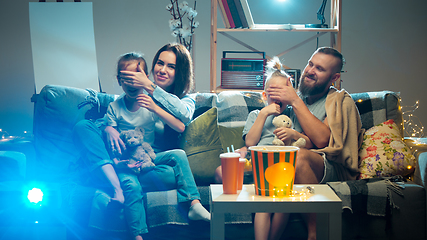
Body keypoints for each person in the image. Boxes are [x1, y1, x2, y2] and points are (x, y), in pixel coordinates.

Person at [73, 43, 209, 240]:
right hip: (127, 160)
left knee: (171, 173)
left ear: (180, 73)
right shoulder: (124, 100)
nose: (162, 69)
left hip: (153, 163)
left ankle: (112, 177)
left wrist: (151, 93)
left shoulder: (182, 100)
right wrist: (108, 127)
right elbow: (112, 118)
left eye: (171, 66)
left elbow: (182, 121)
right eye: (160, 63)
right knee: (84, 128)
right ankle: (116, 178)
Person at [262, 47, 363, 240]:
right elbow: (269, 128)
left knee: (297, 156)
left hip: (327, 164)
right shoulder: (294, 98)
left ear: (333, 78)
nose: (310, 71)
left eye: (319, 69)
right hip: (290, 162)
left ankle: (315, 233)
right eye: (310, 64)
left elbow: (323, 141)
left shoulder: (338, 101)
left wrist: (295, 101)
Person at [242, 57, 312, 240]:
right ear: (265, 96)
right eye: (274, 94)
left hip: (283, 169)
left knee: (284, 205)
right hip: (260, 165)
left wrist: (293, 134)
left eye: (283, 94)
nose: (279, 99)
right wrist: (264, 113)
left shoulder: (293, 116)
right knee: (263, 207)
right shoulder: (256, 114)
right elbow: (250, 142)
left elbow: (306, 141)